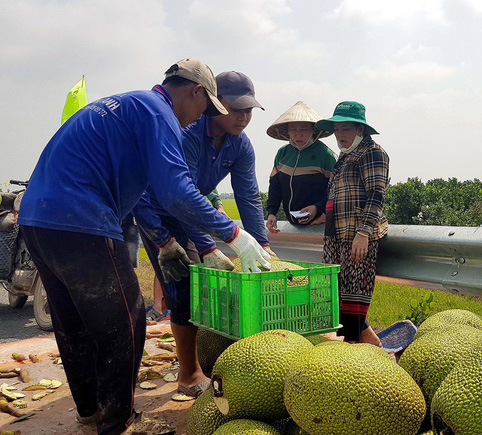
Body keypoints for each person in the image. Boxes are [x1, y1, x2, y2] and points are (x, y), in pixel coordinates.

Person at [18, 59, 270, 435]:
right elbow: (175, 192)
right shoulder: (159, 113)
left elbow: (163, 189)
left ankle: (90, 414)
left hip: (38, 217)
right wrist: (232, 234)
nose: (201, 117)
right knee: (127, 320)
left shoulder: (130, 104)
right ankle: (118, 424)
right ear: (196, 92)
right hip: (80, 217)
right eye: (207, 107)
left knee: (73, 323)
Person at [134, 70, 273, 398]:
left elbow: (248, 196)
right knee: (183, 285)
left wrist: (262, 244)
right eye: (236, 109)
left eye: (249, 110)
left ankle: (196, 357)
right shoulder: (189, 133)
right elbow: (183, 195)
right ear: (215, 103)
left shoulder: (241, 147)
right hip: (160, 213)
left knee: (202, 290)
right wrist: (210, 246)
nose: (243, 117)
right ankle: (188, 373)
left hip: (193, 212)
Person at [315, 101, 389, 345]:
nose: (340, 135)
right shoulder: (345, 156)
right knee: (338, 300)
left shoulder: (372, 152)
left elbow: (376, 194)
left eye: (345, 129)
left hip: (357, 236)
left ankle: (357, 357)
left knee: (354, 301)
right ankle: (371, 346)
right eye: (336, 129)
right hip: (337, 236)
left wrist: (364, 232)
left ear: (360, 129)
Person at [265, 101, 336, 233]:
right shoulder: (282, 153)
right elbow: (275, 187)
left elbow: (335, 192)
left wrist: (318, 208)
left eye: (304, 129)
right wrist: (272, 212)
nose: (298, 135)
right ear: (287, 131)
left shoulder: (326, 156)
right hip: (292, 224)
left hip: (319, 224)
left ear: (313, 130)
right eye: (293, 129)